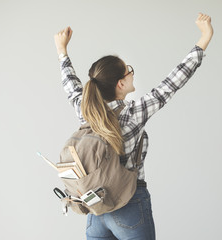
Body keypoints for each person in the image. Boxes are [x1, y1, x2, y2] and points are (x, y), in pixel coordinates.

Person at [54, 12, 213, 240]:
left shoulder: (86, 111)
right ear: (121, 83)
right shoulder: (132, 114)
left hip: (96, 209)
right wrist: (205, 37)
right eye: (129, 70)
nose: (131, 73)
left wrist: (62, 51)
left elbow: (71, 85)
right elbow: (173, 82)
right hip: (129, 204)